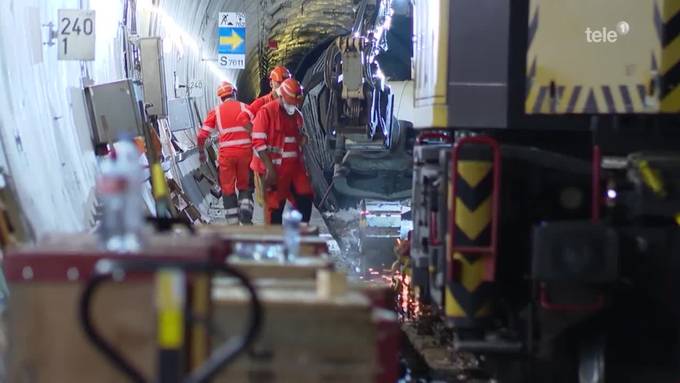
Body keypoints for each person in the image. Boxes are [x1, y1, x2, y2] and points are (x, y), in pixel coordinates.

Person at [250, 78, 314, 224]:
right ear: (281, 97)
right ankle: (274, 241)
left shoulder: (297, 116)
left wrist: (302, 138)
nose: (294, 106)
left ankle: (301, 235)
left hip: (294, 169)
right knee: (275, 208)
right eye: (291, 102)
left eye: (296, 103)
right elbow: (258, 142)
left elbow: (295, 140)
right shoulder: (266, 112)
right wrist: (269, 169)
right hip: (273, 168)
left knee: (305, 196)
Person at [197, 81, 255, 224]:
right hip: (245, 155)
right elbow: (258, 130)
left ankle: (233, 223)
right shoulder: (246, 108)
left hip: (226, 157)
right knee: (245, 186)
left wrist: (201, 152)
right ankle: (246, 217)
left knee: (228, 189)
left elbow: (201, 135)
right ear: (234, 93)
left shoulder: (215, 112)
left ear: (220, 97)